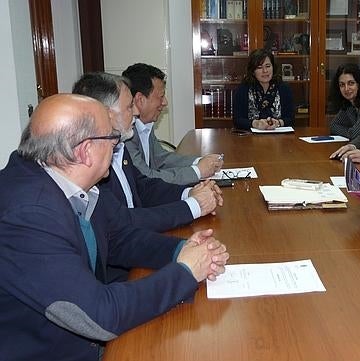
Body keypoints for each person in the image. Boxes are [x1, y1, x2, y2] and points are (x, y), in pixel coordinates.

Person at [0, 94, 230, 360]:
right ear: (85, 150)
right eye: (113, 139)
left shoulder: (67, 179)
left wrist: (182, 249)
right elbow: (99, 316)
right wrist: (186, 272)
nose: (117, 146)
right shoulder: (28, 215)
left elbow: (119, 238)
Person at [72, 72, 223, 234]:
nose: (136, 112)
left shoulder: (119, 147)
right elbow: (125, 221)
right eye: (129, 106)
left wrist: (189, 193)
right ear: (107, 114)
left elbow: (144, 188)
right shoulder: (91, 165)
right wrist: (194, 206)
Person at [122, 63, 223, 185]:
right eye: (161, 96)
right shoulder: (125, 134)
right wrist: (198, 171)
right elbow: (146, 177)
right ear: (140, 99)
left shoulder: (145, 125)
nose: (165, 102)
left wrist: (200, 161)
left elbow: (162, 159)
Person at [232, 48, 294, 130]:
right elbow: (237, 120)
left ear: (273, 67)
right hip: (250, 139)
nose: (265, 71)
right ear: (253, 71)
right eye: (259, 67)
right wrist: (255, 124)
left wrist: (278, 123)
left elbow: (291, 119)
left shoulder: (284, 89)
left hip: (279, 138)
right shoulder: (243, 89)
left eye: (268, 66)